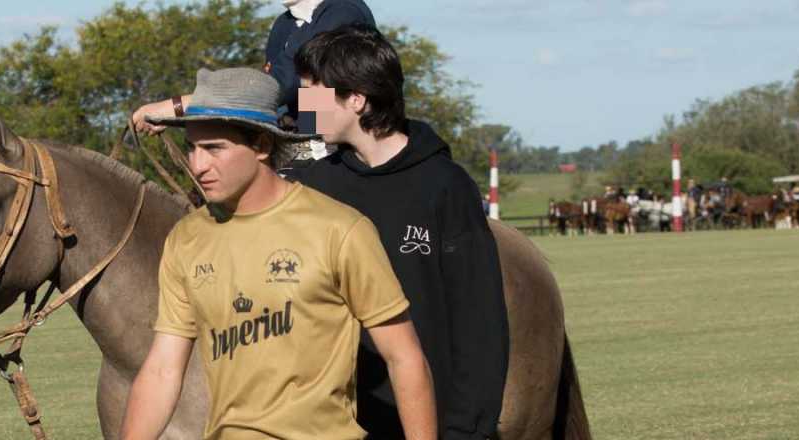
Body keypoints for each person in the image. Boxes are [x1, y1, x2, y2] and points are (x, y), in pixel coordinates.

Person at [120, 67, 437, 440]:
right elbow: (162, 369)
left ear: (262, 146)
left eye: (214, 148)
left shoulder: (339, 229)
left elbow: (405, 358)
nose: (197, 165)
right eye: (192, 147)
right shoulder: (186, 238)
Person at [290, 25, 509, 440]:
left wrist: (467, 431)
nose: (303, 106)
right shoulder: (316, 186)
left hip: (437, 423)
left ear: (355, 98)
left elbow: (480, 324)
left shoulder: (445, 185)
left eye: (311, 92)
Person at [131, 0, 375, 164]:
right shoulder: (286, 24)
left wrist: (178, 106)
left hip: (350, 157)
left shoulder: (343, 12)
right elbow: (286, 101)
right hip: (304, 147)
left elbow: (281, 85)